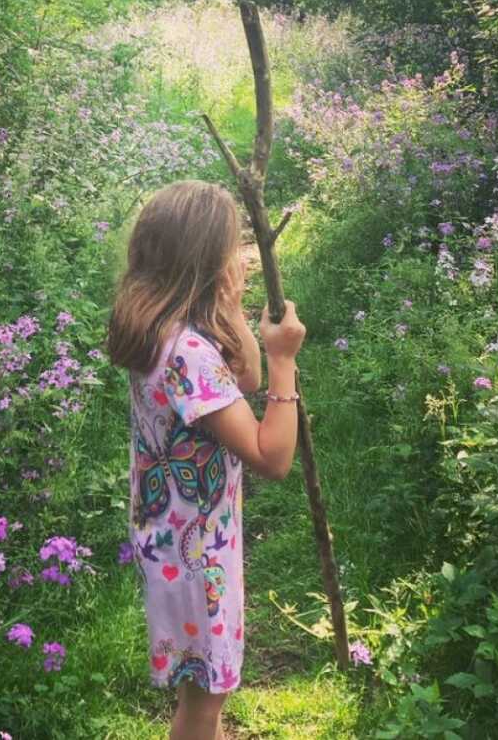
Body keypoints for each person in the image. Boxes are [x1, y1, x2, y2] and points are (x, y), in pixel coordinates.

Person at [108, 179, 306, 740]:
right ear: (204, 263)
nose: (239, 260)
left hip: (175, 539)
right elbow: (272, 456)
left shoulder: (162, 329)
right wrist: (283, 360)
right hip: (197, 556)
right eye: (230, 251)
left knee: (200, 693)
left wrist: (231, 306)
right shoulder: (188, 354)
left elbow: (239, 378)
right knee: (204, 704)